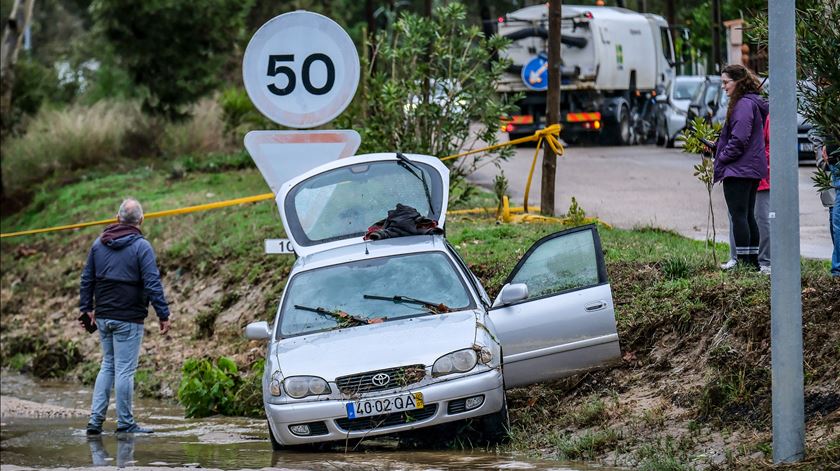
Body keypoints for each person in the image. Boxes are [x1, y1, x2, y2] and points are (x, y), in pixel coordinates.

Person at [80, 198, 172, 435]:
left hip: (103, 316)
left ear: (116, 218)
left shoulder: (98, 245)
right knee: (124, 370)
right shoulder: (142, 247)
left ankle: (95, 422)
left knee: (107, 365)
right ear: (141, 220)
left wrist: (85, 308)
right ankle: (125, 423)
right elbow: (152, 283)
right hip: (128, 318)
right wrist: (163, 314)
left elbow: (86, 278)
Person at [714, 64, 769, 270]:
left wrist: (722, 158)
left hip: (739, 169)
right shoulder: (751, 103)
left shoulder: (743, 105)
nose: (724, 87)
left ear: (738, 82)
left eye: (726, 82)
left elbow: (739, 139)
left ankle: (744, 263)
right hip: (750, 168)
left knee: (739, 215)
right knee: (746, 215)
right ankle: (751, 261)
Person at [722, 113, 772, 274]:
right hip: (743, 173)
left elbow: (770, 146)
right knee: (737, 216)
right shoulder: (740, 112)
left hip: (756, 175)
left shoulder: (764, 116)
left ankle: (763, 261)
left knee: (761, 219)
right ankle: (737, 258)